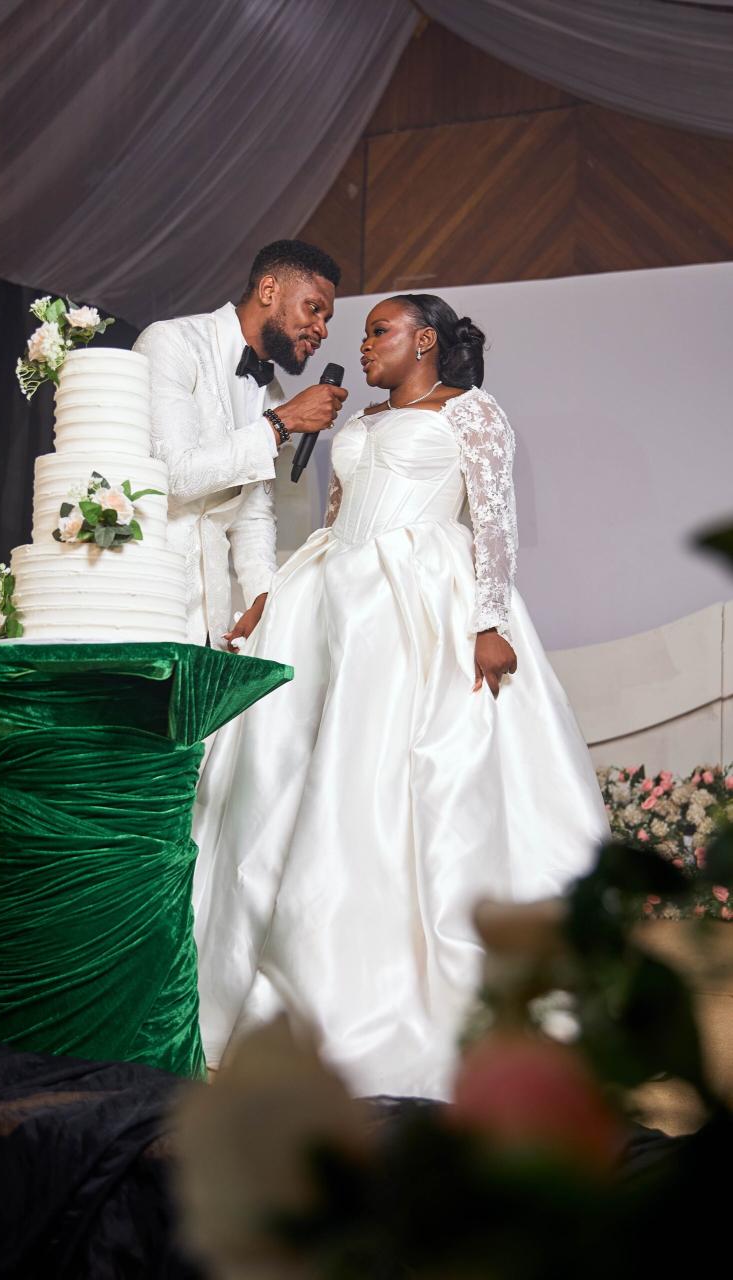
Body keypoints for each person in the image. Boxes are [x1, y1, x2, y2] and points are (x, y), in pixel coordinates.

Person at [191, 293, 610, 1101]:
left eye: (378, 331)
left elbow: (493, 522)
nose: (364, 344)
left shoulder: (471, 411)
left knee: (395, 770)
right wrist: (273, 597)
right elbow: (334, 518)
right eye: (365, 333)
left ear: (423, 340)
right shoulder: (359, 423)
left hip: (419, 599)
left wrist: (488, 620)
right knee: (293, 765)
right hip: (332, 598)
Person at [133, 240, 347, 649]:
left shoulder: (273, 393)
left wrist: (264, 599)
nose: (322, 329)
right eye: (313, 308)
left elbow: (252, 513)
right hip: (148, 598)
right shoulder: (171, 342)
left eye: (327, 318)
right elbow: (173, 477)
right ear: (269, 291)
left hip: (212, 617)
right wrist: (281, 423)